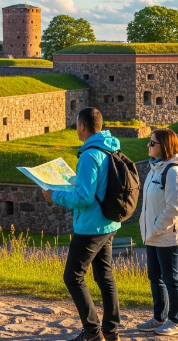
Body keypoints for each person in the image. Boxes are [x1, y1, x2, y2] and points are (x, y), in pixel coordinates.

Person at [42, 107, 121, 341]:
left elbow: (84, 197)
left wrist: (54, 196)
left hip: (90, 226)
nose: (77, 128)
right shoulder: (109, 147)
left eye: (77, 124)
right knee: (104, 276)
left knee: (73, 277)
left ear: (82, 126)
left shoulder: (89, 155)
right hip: (108, 222)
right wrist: (75, 181)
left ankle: (93, 332)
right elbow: (98, 185)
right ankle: (111, 330)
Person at [137, 128, 178, 336]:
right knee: (154, 276)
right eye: (149, 142)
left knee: (171, 278)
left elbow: (174, 208)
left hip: (169, 235)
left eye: (152, 143)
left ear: (164, 146)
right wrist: (150, 230)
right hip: (154, 235)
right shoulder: (154, 169)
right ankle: (160, 317)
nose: (148, 146)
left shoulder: (174, 172)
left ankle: (176, 321)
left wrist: (156, 228)